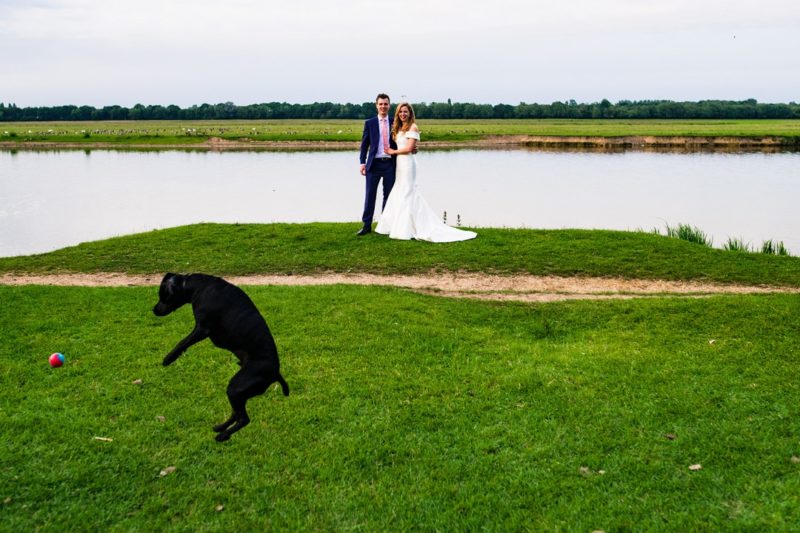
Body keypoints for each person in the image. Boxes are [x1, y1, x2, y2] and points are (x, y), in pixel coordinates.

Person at [376, 103, 477, 242]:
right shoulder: (399, 127)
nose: (403, 114)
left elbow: (410, 148)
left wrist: (393, 152)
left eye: (405, 112)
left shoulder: (413, 127)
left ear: (410, 113)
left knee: (407, 192)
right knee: (399, 191)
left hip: (408, 164)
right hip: (399, 164)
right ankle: (395, 225)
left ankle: (407, 229)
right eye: (400, 112)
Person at [357, 93, 396, 236]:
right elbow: (364, 145)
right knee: (370, 195)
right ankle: (366, 225)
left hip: (390, 164)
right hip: (373, 164)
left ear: (389, 106)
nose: (383, 106)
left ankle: (385, 224)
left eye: (385, 104)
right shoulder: (370, 123)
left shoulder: (395, 122)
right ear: (376, 105)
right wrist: (362, 162)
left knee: (389, 196)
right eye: (381, 104)